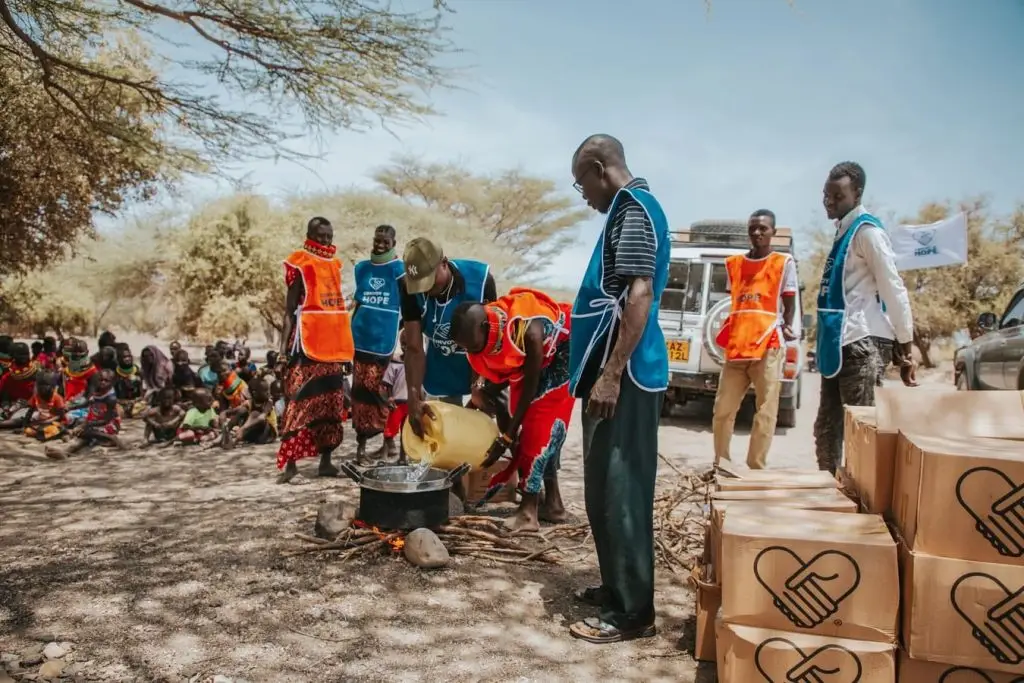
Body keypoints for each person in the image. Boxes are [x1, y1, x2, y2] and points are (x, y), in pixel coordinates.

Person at [566, 134, 670, 644]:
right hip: (607, 374)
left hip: (625, 377)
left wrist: (610, 374)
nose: (582, 193)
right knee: (603, 489)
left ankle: (634, 612)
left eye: (581, 182)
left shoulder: (634, 209)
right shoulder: (623, 212)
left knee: (624, 490)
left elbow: (639, 293)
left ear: (600, 168)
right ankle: (616, 587)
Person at [814, 161, 917, 474]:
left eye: (837, 195)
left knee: (861, 432)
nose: (829, 201)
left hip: (864, 342)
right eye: (826, 194)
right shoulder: (843, 232)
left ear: (857, 193)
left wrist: (905, 340)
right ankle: (828, 491)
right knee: (827, 428)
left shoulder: (867, 232)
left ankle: (862, 505)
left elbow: (892, 286)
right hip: (840, 342)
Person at [450, 287, 574, 531]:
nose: (471, 352)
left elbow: (530, 384)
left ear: (485, 327)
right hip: (533, 364)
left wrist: (507, 436)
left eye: (473, 346)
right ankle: (554, 504)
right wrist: (477, 401)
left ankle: (528, 513)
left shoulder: (527, 330)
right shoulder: (485, 336)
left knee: (537, 430)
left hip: (561, 355)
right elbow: (500, 377)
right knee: (532, 429)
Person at [711, 209, 799, 469]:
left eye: (763, 228)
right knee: (723, 410)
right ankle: (721, 465)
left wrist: (786, 326)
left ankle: (756, 466)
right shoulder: (734, 264)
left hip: (769, 346)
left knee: (766, 411)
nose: (757, 232)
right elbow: (734, 301)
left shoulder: (783, 262)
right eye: (753, 228)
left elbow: (789, 300)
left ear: (773, 231)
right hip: (737, 347)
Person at [276, 216, 355, 483]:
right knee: (299, 403)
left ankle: (326, 462)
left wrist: (346, 352)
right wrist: (283, 352)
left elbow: (338, 313)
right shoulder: (299, 264)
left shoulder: (335, 265)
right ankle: (290, 467)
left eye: (329, 236)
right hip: (304, 346)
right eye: (320, 236)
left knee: (331, 405)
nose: (325, 241)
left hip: (331, 349)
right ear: (309, 234)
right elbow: (288, 312)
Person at [401, 237, 498, 436]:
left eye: (428, 281)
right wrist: (413, 396)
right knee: (442, 433)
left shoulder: (480, 281)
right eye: (420, 284)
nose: (425, 289)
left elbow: (491, 341)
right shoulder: (408, 286)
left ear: (444, 263)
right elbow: (414, 347)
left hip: (481, 362)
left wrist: (479, 385)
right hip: (441, 366)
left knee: (480, 434)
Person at [350, 224, 405, 463]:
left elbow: (409, 304)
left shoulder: (398, 269)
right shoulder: (362, 268)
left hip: (385, 342)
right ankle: (361, 449)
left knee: (382, 394)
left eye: (385, 242)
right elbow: (359, 304)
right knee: (359, 394)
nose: (380, 245)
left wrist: (402, 339)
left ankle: (388, 443)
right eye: (377, 240)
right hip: (360, 339)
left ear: (394, 244)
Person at [46, 368, 124, 458]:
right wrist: (71, 407)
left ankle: (110, 437)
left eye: (106, 381)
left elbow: (106, 421)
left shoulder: (110, 399)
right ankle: (67, 451)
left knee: (84, 432)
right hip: (95, 420)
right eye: (101, 380)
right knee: (81, 428)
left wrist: (86, 424)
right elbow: (87, 403)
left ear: (112, 383)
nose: (103, 382)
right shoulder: (97, 390)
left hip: (109, 425)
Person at [221, 377, 277, 449]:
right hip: (254, 435)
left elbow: (262, 418)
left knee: (255, 413)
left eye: (268, 390)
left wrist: (243, 428)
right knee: (242, 411)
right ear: (255, 393)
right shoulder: (249, 402)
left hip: (268, 435)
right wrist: (224, 413)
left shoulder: (269, 403)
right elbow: (235, 410)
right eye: (265, 391)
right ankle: (225, 433)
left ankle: (235, 440)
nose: (269, 393)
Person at [380, 330, 409, 463]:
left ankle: (403, 458)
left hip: (411, 403)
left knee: (406, 433)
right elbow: (387, 384)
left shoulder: (418, 364)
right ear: (402, 346)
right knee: (389, 431)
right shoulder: (395, 363)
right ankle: (386, 455)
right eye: (405, 345)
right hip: (397, 402)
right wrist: (389, 398)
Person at [24, 372, 66, 442]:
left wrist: (49, 421)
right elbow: (30, 411)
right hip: (40, 422)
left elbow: (61, 416)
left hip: (52, 422)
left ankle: (45, 433)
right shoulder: (36, 396)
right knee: (28, 431)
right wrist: (25, 424)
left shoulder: (57, 397)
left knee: (52, 430)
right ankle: (42, 433)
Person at [114, 344, 146, 415]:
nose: (128, 359)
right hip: (120, 403)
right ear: (119, 359)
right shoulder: (115, 374)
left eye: (129, 356)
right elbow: (112, 395)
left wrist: (135, 401)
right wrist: (123, 402)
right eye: (125, 357)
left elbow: (142, 394)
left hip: (136, 403)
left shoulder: (138, 372)